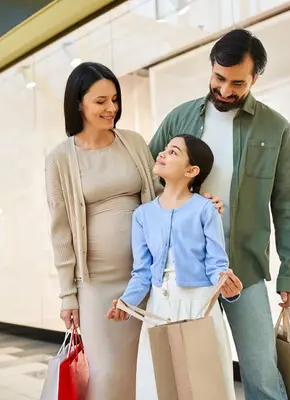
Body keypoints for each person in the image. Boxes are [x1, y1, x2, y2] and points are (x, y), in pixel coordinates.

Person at [45, 62, 222, 400]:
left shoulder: (133, 142)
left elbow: (162, 196)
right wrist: (68, 294)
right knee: (106, 373)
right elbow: (60, 230)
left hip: (146, 276)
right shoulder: (59, 159)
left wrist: (197, 204)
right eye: (100, 101)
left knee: (148, 369)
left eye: (114, 99)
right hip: (96, 283)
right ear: (78, 103)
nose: (111, 108)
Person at [148, 29, 290, 400]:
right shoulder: (180, 118)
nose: (224, 90)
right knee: (192, 374)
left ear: (255, 79)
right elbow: (149, 178)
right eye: (219, 78)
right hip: (185, 269)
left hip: (244, 269)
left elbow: (289, 203)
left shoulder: (274, 128)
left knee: (262, 375)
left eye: (237, 83)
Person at [107, 134, 243, 400]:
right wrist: (126, 303)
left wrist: (229, 287)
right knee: (159, 382)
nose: (162, 153)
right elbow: (142, 273)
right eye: (165, 149)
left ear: (191, 171)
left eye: (173, 152)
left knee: (206, 382)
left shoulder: (206, 209)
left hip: (200, 305)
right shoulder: (142, 215)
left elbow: (217, 262)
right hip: (158, 308)